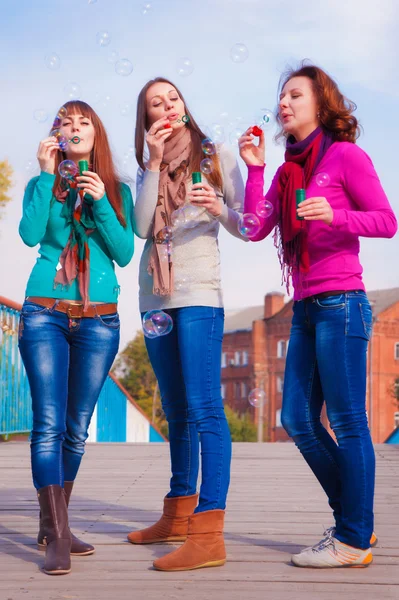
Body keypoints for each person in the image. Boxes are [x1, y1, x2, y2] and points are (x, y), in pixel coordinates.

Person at [239, 63, 397, 568]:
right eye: (281, 96)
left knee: (349, 422)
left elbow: (387, 221)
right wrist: (256, 168)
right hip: (306, 307)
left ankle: (352, 536)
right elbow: (253, 227)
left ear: (321, 104)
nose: (284, 103)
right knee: (296, 419)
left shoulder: (346, 157)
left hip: (342, 304)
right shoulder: (287, 170)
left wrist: (336, 214)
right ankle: (354, 521)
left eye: (295, 95)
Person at [127, 77, 246, 571]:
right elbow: (139, 227)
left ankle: (208, 532)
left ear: (184, 104)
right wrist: (153, 165)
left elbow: (247, 223)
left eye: (173, 98)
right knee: (175, 407)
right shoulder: (145, 168)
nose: (168, 106)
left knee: (203, 408)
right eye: (157, 104)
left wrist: (220, 208)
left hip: (198, 293)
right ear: (148, 120)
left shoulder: (216, 156)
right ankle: (177, 513)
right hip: (155, 297)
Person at [18, 100, 135, 575]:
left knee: (76, 429)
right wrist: (48, 176)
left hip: (99, 321)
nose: (75, 128)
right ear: (56, 137)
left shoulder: (117, 191)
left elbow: (124, 253)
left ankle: (52, 525)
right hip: (45, 312)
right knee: (48, 423)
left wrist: (102, 200)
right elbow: (29, 235)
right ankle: (60, 535)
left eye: (84, 122)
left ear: (97, 134)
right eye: (66, 123)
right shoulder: (41, 185)